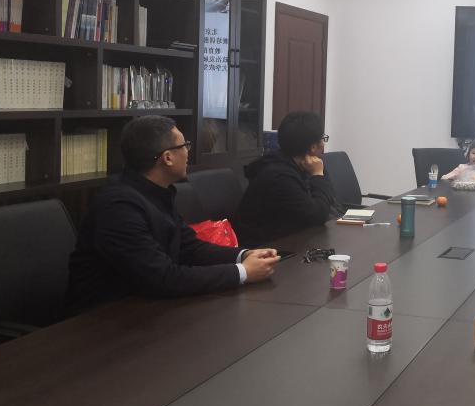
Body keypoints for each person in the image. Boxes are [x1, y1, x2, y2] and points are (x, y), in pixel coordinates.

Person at [68, 116, 279, 313]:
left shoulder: (156, 192)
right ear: (167, 158)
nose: (188, 152)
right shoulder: (119, 207)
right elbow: (162, 277)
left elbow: (189, 247)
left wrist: (244, 255)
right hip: (105, 319)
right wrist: (242, 272)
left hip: (146, 307)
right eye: (184, 146)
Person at [233, 111, 339, 246]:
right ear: (313, 147)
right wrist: (318, 175)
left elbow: (328, 200)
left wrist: (319, 173)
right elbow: (317, 215)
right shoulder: (279, 176)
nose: (323, 145)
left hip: (293, 238)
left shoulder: (301, 165)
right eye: (322, 139)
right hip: (266, 248)